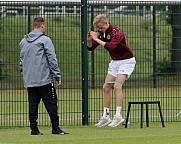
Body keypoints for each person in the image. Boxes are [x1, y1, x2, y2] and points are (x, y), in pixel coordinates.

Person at [19, 17, 69, 135]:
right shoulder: (45, 40)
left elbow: (21, 60)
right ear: (42, 25)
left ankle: (34, 130)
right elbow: (52, 59)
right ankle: (55, 128)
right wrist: (57, 75)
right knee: (51, 103)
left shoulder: (23, 41)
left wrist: (24, 74)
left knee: (33, 104)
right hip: (44, 78)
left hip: (30, 79)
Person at [87, 14, 136, 127]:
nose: (99, 30)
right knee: (106, 87)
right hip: (115, 62)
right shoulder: (102, 33)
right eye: (98, 28)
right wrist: (90, 40)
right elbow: (90, 48)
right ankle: (105, 116)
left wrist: (95, 38)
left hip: (126, 61)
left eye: (101, 27)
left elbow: (111, 47)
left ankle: (118, 116)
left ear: (106, 23)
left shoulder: (116, 32)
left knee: (117, 86)